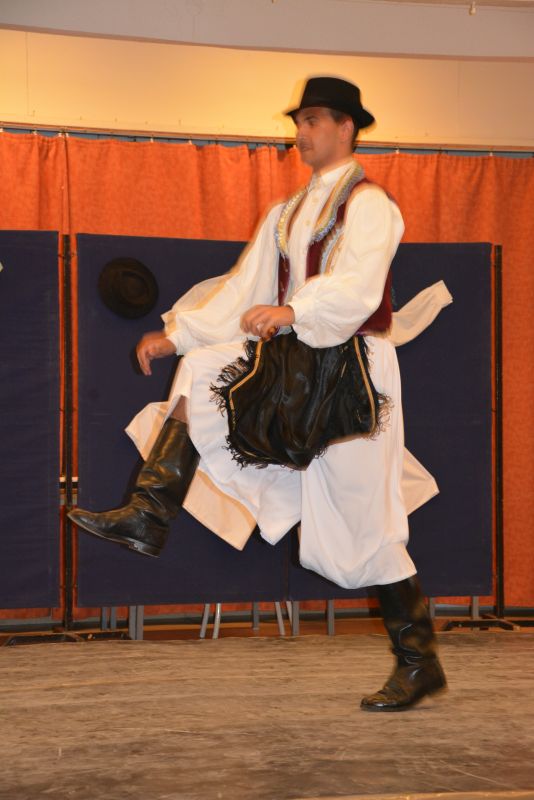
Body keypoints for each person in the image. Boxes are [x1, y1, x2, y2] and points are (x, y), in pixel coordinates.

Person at [69, 76, 447, 712]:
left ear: (348, 128)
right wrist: (177, 336)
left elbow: (358, 287)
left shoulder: (371, 204)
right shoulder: (286, 214)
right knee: (203, 370)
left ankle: (418, 660)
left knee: (365, 523)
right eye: (299, 121)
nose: (301, 131)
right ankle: (148, 510)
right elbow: (242, 291)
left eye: (315, 119)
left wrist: (295, 311)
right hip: (298, 364)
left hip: (355, 373)